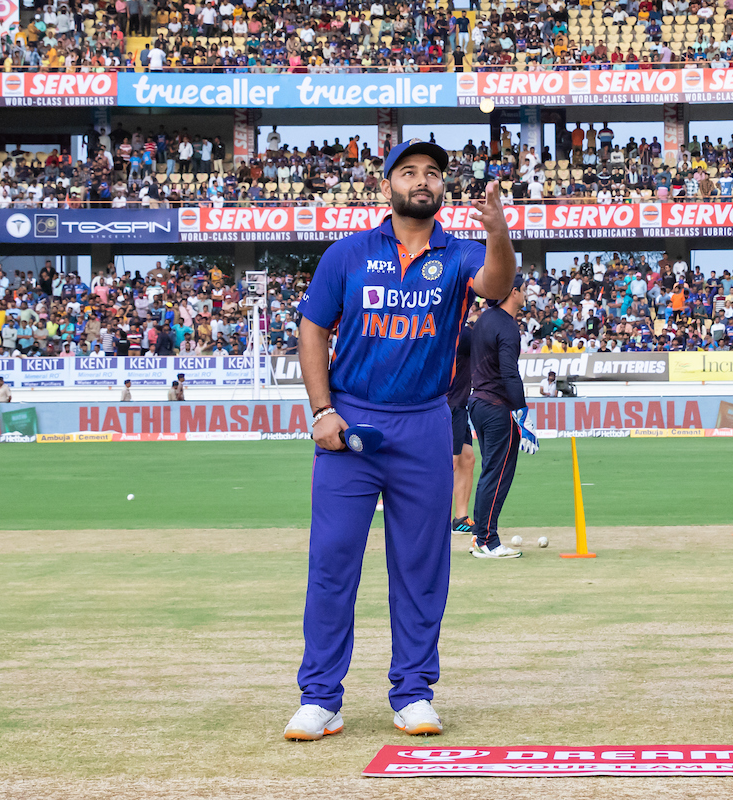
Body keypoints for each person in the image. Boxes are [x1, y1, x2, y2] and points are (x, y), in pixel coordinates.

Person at [285, 139, 516, 742]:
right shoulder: (349, 254)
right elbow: (311, 328)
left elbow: (496, 284)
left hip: (423, 422)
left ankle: (413, 692)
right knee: (332, 563)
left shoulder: (460, 252)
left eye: (432, 173)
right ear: (387, 185)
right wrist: (321, 410)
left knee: (421, 566)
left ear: (443, 189)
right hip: (352, 423)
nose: (422, 181)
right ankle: (320, 698)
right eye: (409, 172)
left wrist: (498, 232)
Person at [467, 273, 537, 559]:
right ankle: (487, 541)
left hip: (479, 403)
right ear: (514, 292)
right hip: (497, 408)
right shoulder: (507, 326)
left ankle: (479, 537)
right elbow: (509, 372)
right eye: (523, 290)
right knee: (497, 475)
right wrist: (522, 412)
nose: (527, 295)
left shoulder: (485, 319)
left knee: (489, 473)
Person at [449, 315, 476, 534]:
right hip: (450, 405)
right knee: (452, 462)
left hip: (458, 403)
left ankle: (460, 518)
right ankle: (436, 518)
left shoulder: (459, 330)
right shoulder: (463, 333)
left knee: (467, 458)